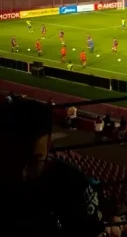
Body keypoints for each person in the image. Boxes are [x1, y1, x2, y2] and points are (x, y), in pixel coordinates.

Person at [0, 99, 104, 236]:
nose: (22, 172)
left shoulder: (74, 185)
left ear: (49, 144)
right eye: (17, 159)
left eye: (34, 160)